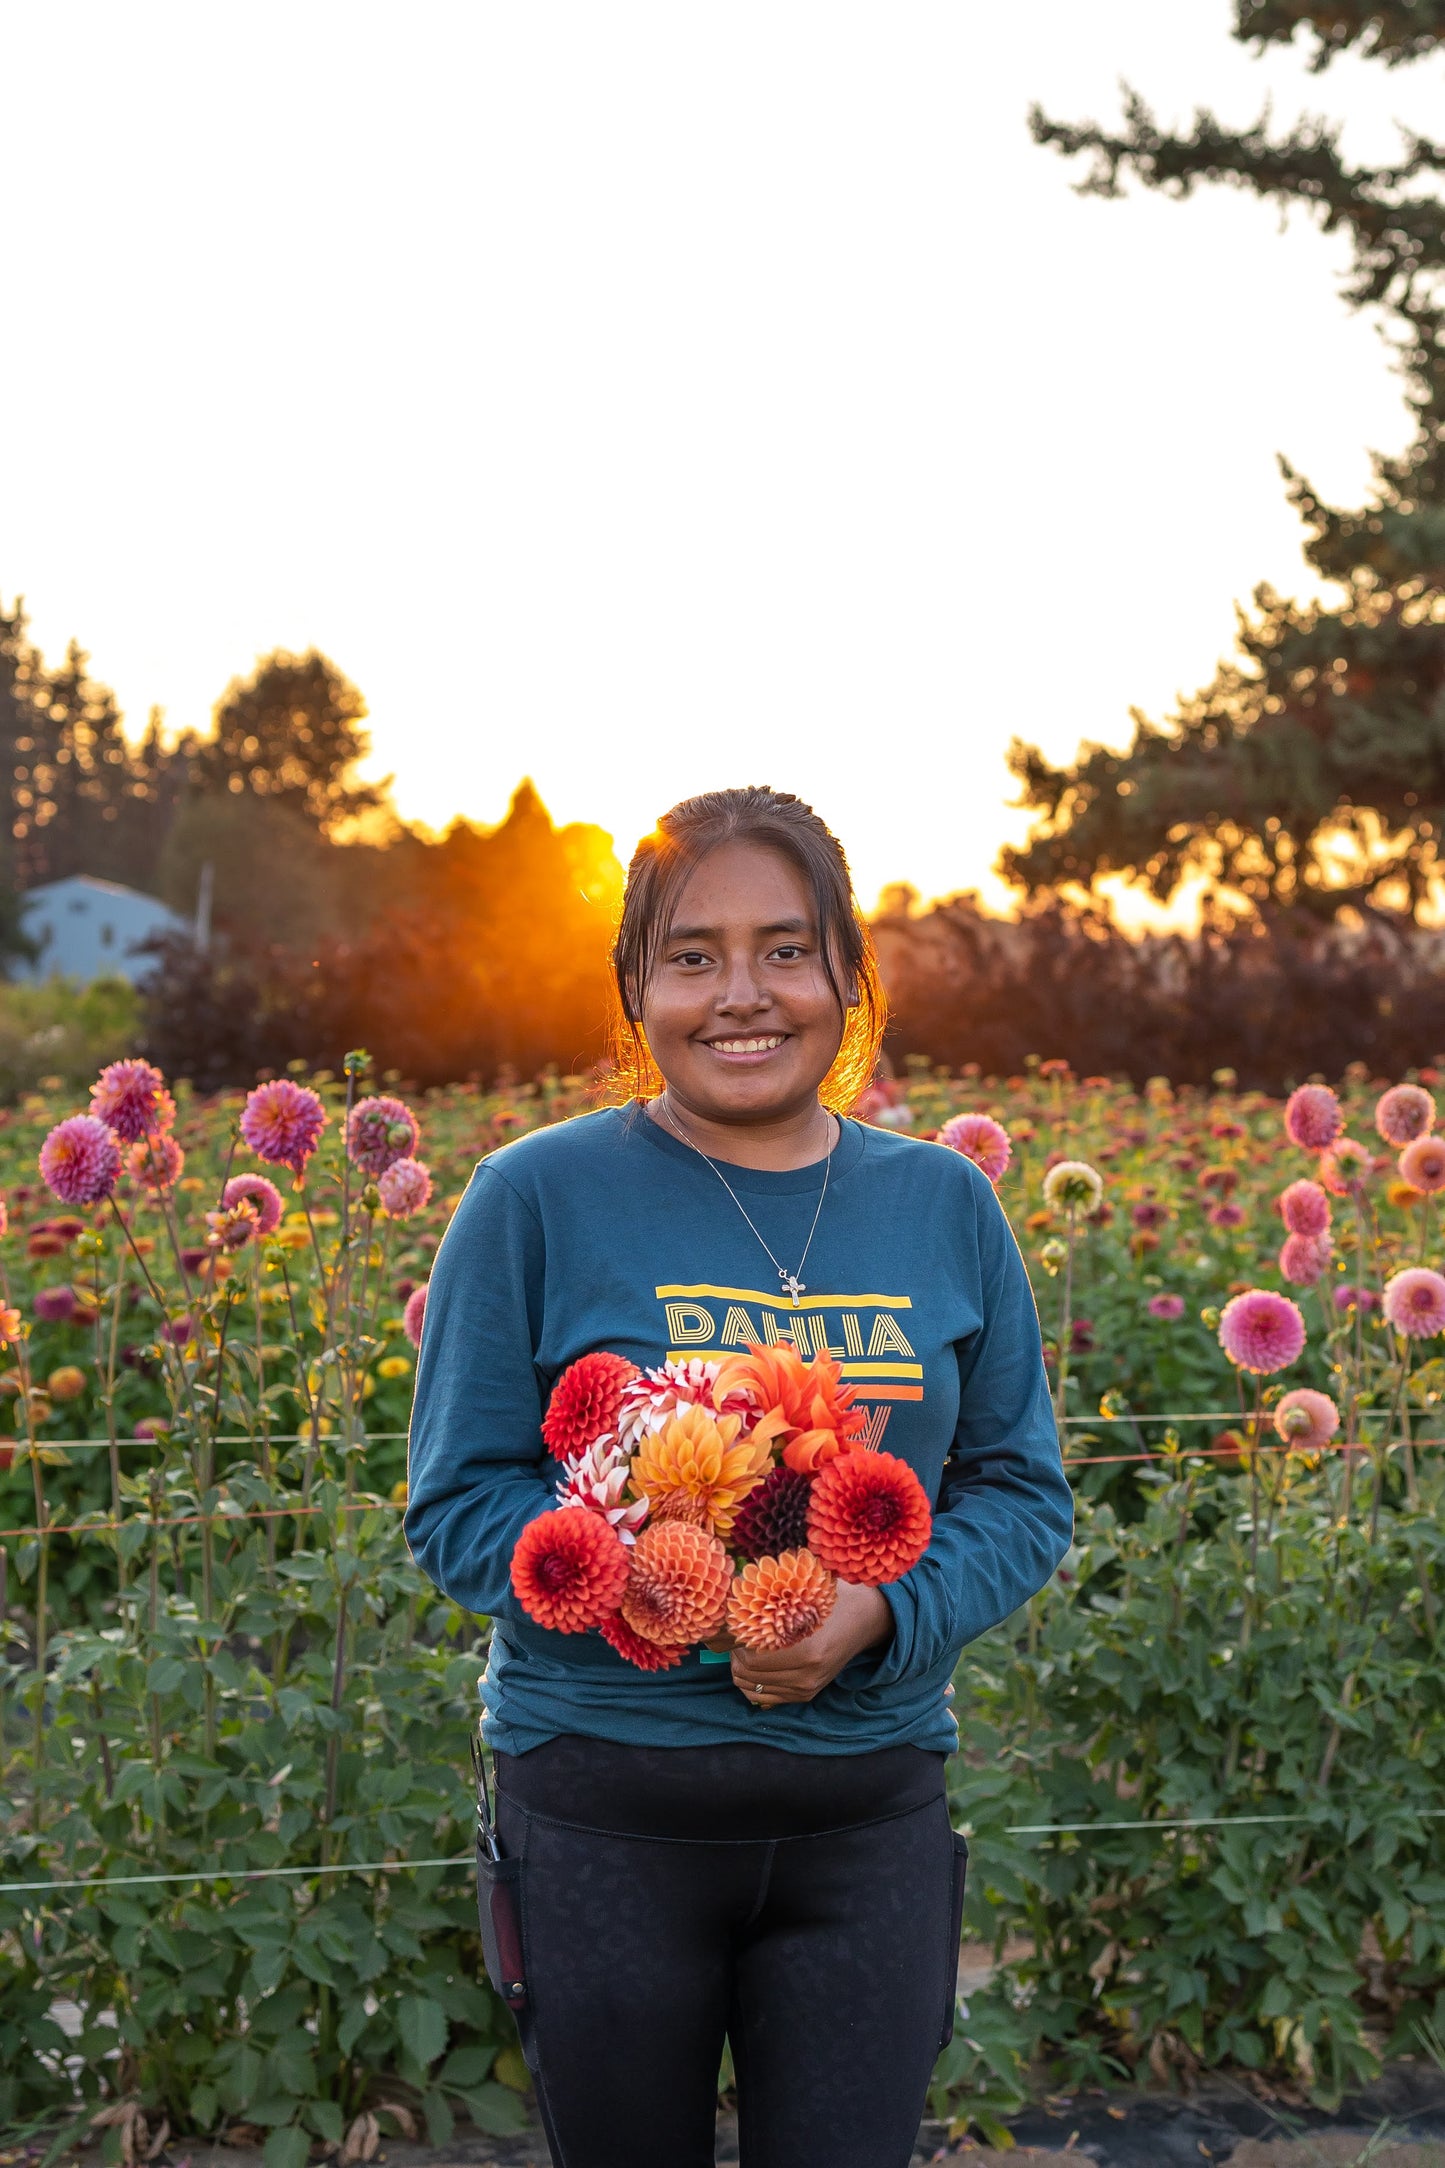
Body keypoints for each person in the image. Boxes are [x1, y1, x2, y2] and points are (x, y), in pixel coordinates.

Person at [405, 785, 1072, 2168]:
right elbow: (460, 1505)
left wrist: (878, 1617)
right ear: (635, 987)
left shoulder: (942, 1203)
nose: (741, 994)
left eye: (784, 946)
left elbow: (1020, 1490)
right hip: (602, 1812)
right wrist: (660, 1595)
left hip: (863, 1818)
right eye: (692, 954)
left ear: (846, 973)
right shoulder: (533, 1198)